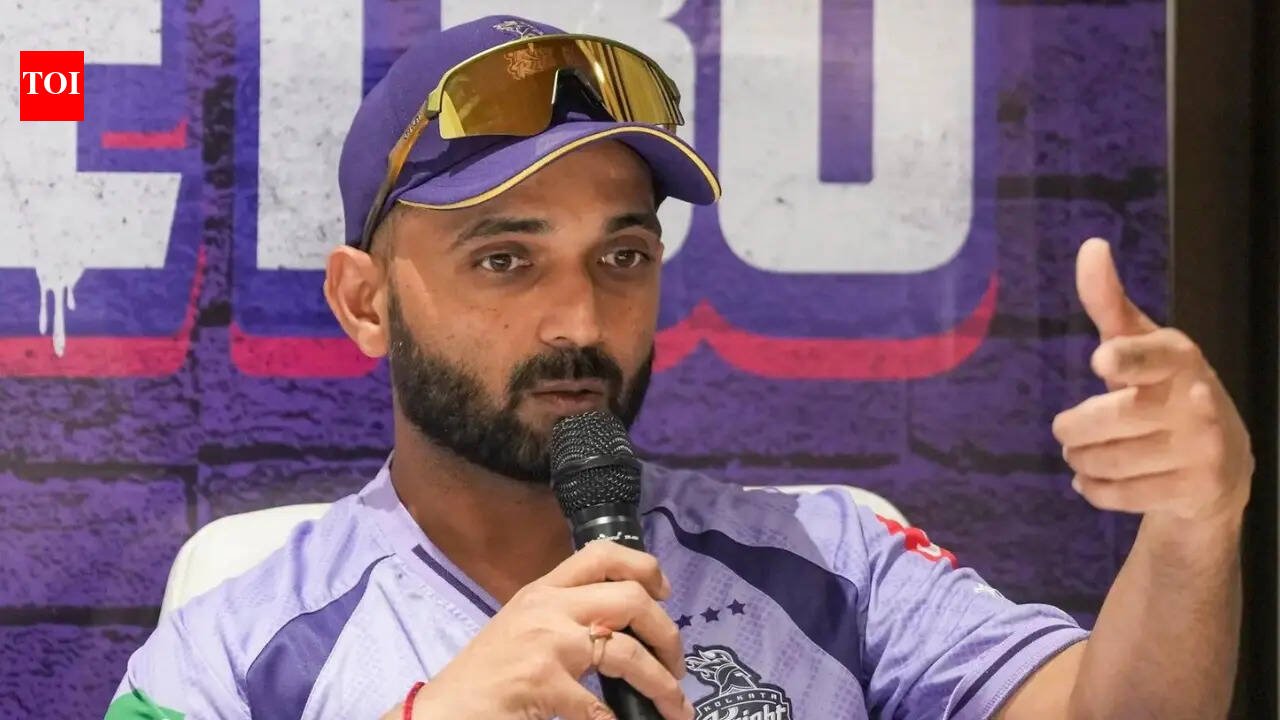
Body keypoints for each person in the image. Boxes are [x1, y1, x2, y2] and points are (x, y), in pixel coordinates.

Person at [106, 15, 1252, 720]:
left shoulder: (831, 563)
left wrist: (1193, 528)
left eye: (621, 255)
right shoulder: (230, 646)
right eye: (504, 259)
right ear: (365, 301)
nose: (577, 320)